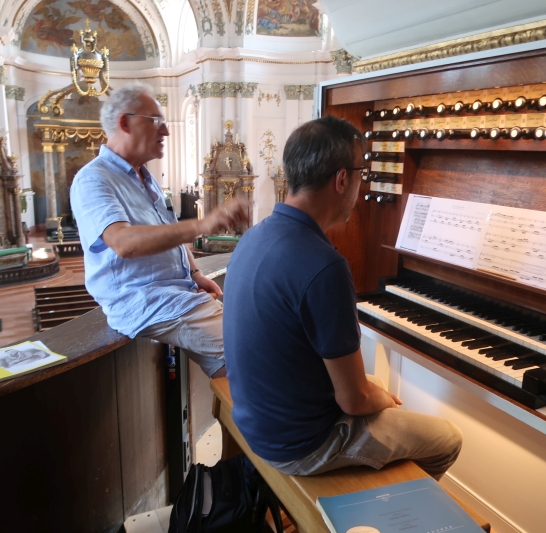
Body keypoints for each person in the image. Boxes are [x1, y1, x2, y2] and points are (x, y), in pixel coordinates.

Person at [222, 115, 463, 480]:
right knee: (448, 438)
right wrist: (381, 401)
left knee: (375, 387)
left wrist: (374, 395)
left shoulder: (255, 236)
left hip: (257, 420)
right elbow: (353, 400)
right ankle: (388, 503)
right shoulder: (324, 265)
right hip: (301, 445)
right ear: (342, 180)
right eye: (361, 174)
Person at [70, 82, 248, 378]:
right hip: (147, 301)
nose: (165, 131)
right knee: (259, 346)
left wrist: (195, 273)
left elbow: (168, 231)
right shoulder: (93, 179)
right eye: (156, 121)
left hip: (177, 294)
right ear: (125, 122)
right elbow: (123, 242)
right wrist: (203, 225)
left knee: (239, 367)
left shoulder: (145, 177)